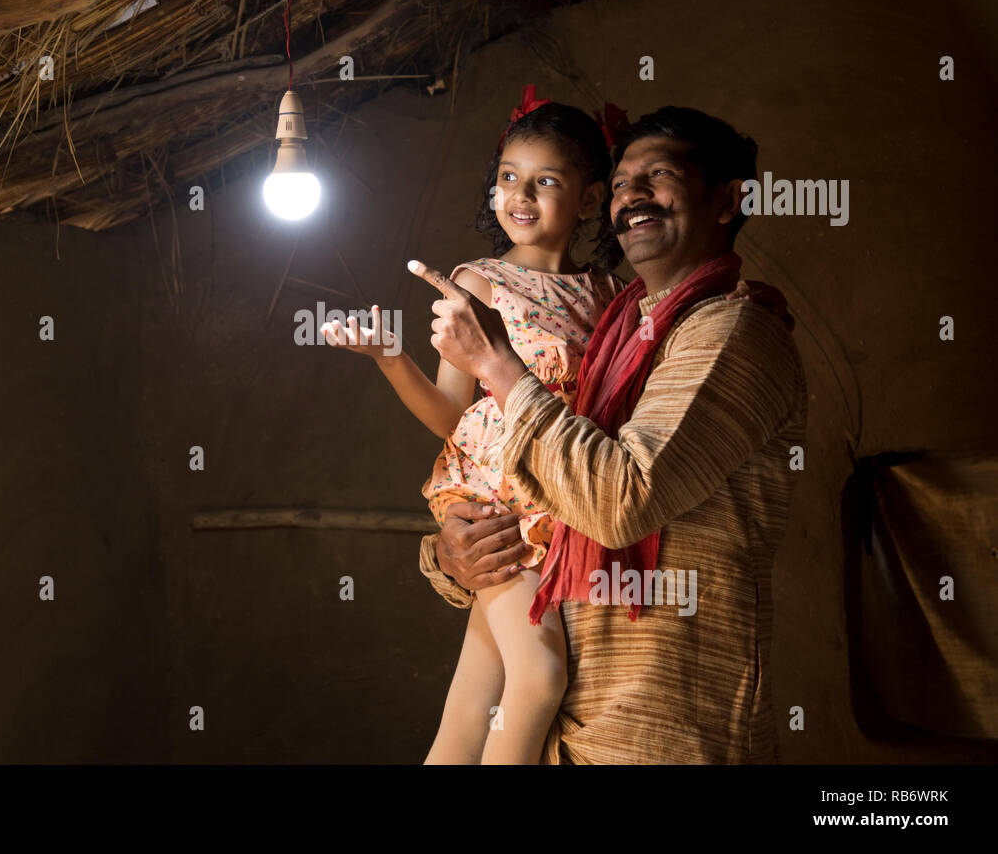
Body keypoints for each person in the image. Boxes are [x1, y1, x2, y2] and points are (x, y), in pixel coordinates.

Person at [409, 106, 807, 764]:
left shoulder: (729, 332)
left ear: (729, 199)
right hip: (569, 729)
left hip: (659, 732)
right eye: (623, 182)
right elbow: (539, 487)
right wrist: (458, 558)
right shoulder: (612, 330)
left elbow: (615, 500)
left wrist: (499, 365)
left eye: (660, 176)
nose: (634, 196)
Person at [323, 87, 625, 763]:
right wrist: (390, 358)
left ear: (588, 199)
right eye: (508, 178)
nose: (521, 195)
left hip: (561, 503)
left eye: (546, 180)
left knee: (469, 709)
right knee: (541, 675)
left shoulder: (609, 294)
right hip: (495, 504)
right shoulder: (479, 284)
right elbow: (450, 415)